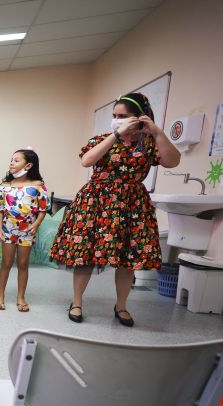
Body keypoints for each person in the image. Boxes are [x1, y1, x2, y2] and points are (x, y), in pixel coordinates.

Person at [50, 92, 180, 326]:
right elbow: (87, 160)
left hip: (132, 205)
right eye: (115, 116)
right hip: (96, 203)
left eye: (124, 116)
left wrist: (158, 132)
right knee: (85, 255)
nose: (118, 119)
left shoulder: (149, 143)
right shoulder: (102, 139)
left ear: (139, 118)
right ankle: (77, 302)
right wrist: (116, 134)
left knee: (128, 259)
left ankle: (121, 307)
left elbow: (172, 161)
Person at [0, 149, 48, 312]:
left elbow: (43, 209)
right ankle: (0, 296)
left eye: (16, 160)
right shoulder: (4, 186)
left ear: (28, 165)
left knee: (23, 264)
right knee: (6, 263)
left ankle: (21, 297)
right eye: (11, 160)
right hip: (8, 230)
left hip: (27, 232)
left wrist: (36, 224)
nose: (11, 163)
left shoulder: (38, 186)